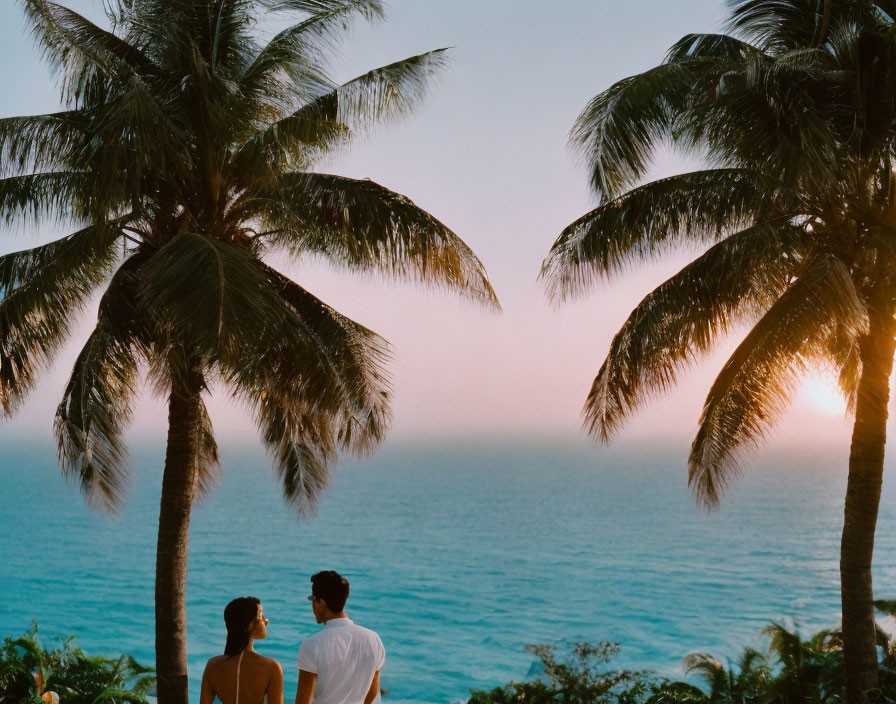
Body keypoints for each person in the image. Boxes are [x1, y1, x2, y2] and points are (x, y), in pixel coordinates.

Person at [295, 571, 385, 704]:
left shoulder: (312, 645)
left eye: (312, 599)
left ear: (320, 602)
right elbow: (372, 692)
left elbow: (303, 701)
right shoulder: (373, 639)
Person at [201, 597, 284, 704]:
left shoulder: (212, 666)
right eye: (261, 616)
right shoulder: (272, 668)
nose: (266, 621)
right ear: (249, 625)